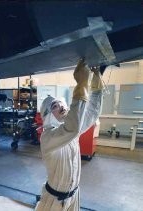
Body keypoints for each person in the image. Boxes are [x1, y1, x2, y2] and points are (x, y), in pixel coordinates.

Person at [35, 58, 104, 211]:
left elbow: (92, 113)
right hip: (53, 202)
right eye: (54, 105)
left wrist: (96, 83)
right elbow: (72, 128)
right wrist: (81, 85)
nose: (60, 105)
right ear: (48, 116)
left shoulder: (72, 131)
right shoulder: (48, 137)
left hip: (73, 197)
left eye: (60, 102)